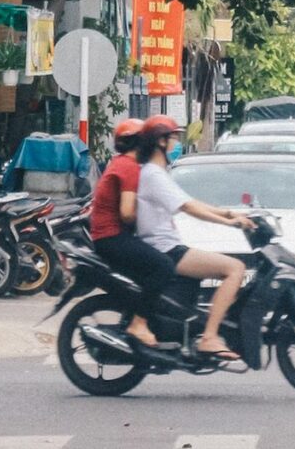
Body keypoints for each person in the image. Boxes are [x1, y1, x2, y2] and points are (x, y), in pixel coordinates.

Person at [135, 115, 254, 361]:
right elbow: (189, 208)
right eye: (173, 138)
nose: (176, 143)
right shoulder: (153, 175)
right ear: (160, 141)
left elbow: (190, 201)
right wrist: (229, 222)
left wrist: (229, 212)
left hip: (167, 245)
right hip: (166, 249)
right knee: (235, 268)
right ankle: (209, 337)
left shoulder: (158, 172)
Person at [90, 119, 175, 349]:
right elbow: (127, 213)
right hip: (112, 238)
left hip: (109, 236)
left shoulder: (121, 163)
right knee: (164, 266)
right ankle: (139, 323)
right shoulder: (128, 168)